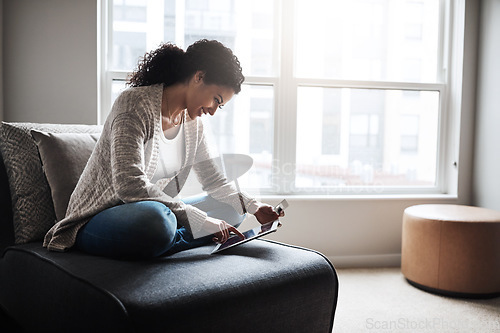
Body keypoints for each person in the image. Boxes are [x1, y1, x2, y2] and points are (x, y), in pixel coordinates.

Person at [43, 39, 283, 258]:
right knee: (157, 222)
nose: (212, 110)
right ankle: (184, 238)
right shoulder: (134, 104)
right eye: (216, 100)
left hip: (156, 210)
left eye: (219, 107)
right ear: (199, 76)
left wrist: (253, 205)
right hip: (99, 218)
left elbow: (216, 182)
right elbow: (129, 186)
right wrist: (203, 223)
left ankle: (173, 240)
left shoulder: (194, 125)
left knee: (233, 210)